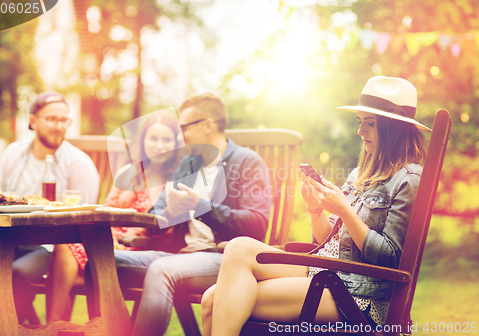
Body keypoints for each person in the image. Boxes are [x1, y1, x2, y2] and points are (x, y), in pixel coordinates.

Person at [200, 76, 431, 335]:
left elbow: (391, 261)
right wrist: (316, 209)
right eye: (359, 122)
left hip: (358, 292)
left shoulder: (409, 180)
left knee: (216, 300)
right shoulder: (360, 174)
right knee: (238, 248)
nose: (360, 131)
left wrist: (344, 209)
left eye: (370, 123)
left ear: (394, 127)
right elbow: (327, 240)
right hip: (327, 267)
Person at [110, 92, 272, 336]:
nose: (180, 134)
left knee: (160, 270)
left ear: (208, 125)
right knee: (104, 261)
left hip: (224, 258)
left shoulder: (246, 162)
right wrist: (167, 214)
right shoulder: (188, 164)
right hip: (179, 255)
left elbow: (257, 225)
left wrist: (200, 207)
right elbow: (158, 214)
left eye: (184, 127)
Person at [45, 110, 183, 322]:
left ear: (175, 144)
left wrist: (121, 241)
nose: (159, 145)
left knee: (71, 257)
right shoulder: (130, 171)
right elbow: (107, 208)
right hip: (109, 240)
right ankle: (55, 325)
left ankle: (64, 324)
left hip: (141, 245)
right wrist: (108, 237)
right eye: (153, 138)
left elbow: (163, 225)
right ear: (143, 141)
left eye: (166, 140)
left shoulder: (176, 179)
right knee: (65, 245)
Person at [0, 91, 100, 322]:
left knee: (16, 275)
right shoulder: (12, 154)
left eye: (64, 121)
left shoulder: (79, 164)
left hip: (52, 247)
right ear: (33, 121)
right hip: (5, 240)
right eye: (52, 119)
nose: (59, 126)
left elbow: (82, 223)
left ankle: (21, 326)